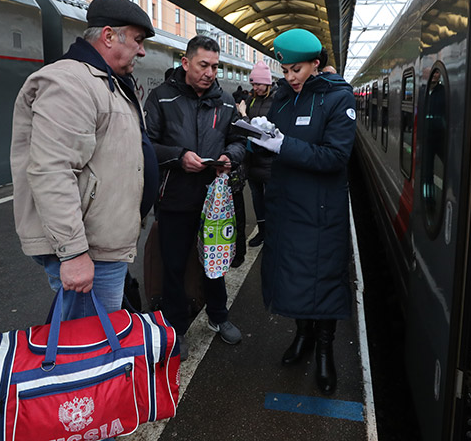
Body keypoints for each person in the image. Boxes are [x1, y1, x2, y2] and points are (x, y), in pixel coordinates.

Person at [10, 0, 158, 319]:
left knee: (89, 328)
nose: (143, 50)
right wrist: (74, 252)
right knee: (88, 348)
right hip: (89, 247)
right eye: (137, 40)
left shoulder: (105, 81)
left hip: (103, 242)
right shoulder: (70, 83)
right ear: (108, 36)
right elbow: (52, 169)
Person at [250, 29, 357, 395]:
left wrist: (283, 144)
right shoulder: (282, 98)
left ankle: (325, 352)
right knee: (293, 277)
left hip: (321, 211)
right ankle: (303, 336)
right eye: (285, 70)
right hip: (286, 206)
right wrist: (262, 137)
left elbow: (336, 157)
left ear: (316, 63)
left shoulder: (338, 99)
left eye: (296, 69)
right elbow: (278, 144)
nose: (290, 77)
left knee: (323, 281)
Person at [144, 35, 246, 347]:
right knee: (174, 266)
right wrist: (179, 157)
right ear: (186, 63)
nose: (210, 72)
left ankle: (218, 315)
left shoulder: (226, 102)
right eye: (204, 65)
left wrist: (231, 156)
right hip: (175, 198)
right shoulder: (161, 98)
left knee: (214, 263)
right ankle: (177, 330)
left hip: (214, 199)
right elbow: (146, 145)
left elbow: (240, 140)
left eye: (215, 66)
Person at [243, 61, 276, 247]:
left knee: (271, 199)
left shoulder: (276, 100)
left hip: (269, 159)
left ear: (268, 83)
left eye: (259, 84)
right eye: (253, 84)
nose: (255, 88)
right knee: (257, 197)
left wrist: (245, 118)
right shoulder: (251, 100)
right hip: (252, 158)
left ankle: (272, 233)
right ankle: (262, 231)